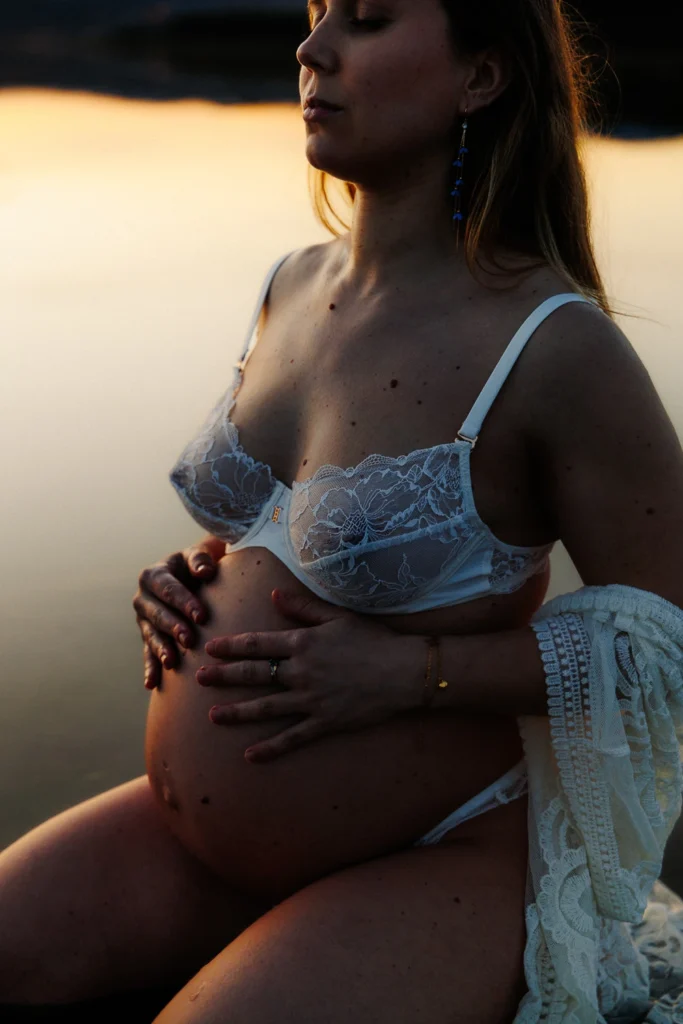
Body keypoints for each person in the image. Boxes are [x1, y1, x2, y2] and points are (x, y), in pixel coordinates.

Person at [2, 0, 683, 1021]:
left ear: (481, 78)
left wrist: (412, 673)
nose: (309, 49)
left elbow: (668, 642)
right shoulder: (291, 283)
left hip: (437, 848)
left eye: (362, 19)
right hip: (195, 837)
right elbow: (285, 531)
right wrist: (189, 582)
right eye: (315, 13)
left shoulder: (551, 345)